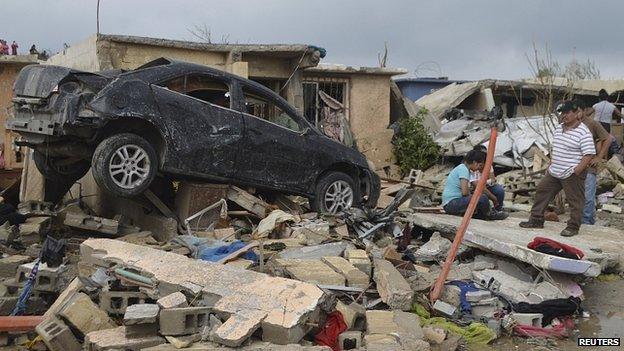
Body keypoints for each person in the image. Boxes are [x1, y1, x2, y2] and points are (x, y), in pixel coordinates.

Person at [520, 100, 596, 236]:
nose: (564, 116)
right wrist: (552, 163)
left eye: (567, 113)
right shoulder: (559, 128)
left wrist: (577, 170)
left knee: (575, 201)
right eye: (562, 113)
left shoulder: (583, 132)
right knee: (542, 191)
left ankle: (573, 227)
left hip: (571, 173)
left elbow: (589, 154)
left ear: (576, 113)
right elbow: (557, 148)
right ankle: (536, 219)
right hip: (555, 171)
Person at [442, 149, 508, 220]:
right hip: (451, 204)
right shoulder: (463, 169)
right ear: (474, 163)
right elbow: (464, 192)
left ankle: (483, 214)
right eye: (479, 165)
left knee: (480, 198)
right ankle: (491, 214)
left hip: (452, 203)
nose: (479, 168)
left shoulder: (463, 168)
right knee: (482, 197)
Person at [578, 100, 611, 225]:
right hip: (576, 166)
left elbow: (608, 138)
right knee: (579, 196)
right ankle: (586, 219)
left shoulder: (592, 123)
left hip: (589, 165)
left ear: (585, 110)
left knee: (588, 196)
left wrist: (599, 157)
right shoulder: (573, 124)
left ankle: (586, 221)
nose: (576, 114)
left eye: (578, 111)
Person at [471, 145, 506, 213]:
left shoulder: (488, 164)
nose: (485, 156)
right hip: (474, 187)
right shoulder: (472, 164)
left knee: (499, 190)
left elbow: (492, 180)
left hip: (485, 186)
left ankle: (498, 209)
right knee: (483, 195)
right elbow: (475, 183)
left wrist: (483, 182)